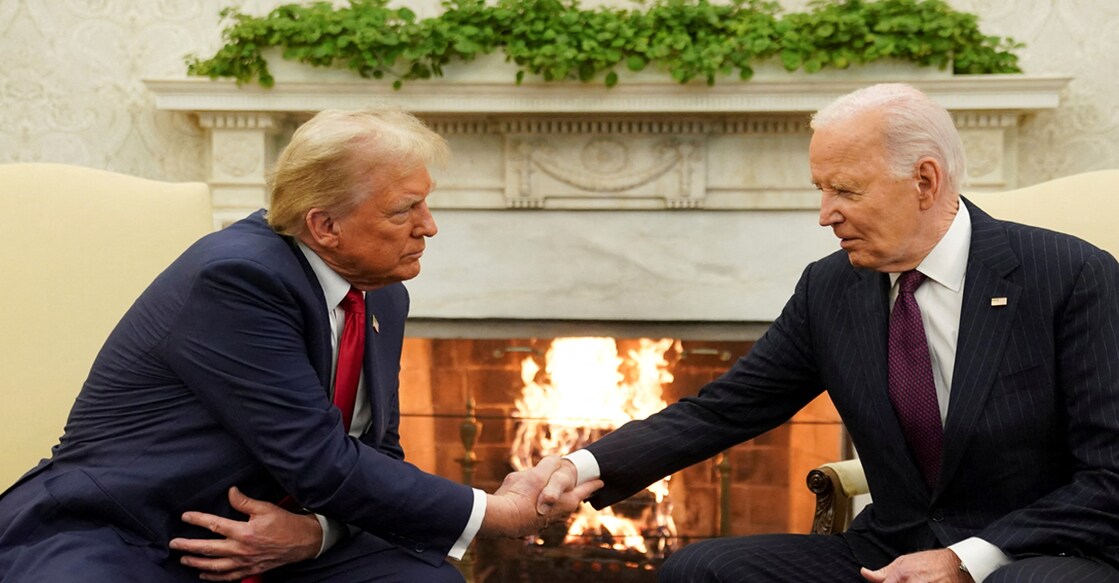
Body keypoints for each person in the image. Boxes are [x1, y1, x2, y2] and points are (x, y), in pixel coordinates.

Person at [540, 83, 1119, 582]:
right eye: (821, 189)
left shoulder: (1070, 276)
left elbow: (1110, 470)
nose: (824, 213)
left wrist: (966, 560)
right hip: (890, 548)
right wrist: (580, 467)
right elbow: (723, 410)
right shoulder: (831, 288)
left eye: (845, 190)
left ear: (924, 181)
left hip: (1036, 550)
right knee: (701, 570)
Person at [0, 109, 599, 582]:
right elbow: (321, 460)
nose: (429, 226)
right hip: (131, 528)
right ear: (324, 226)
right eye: (404, 209)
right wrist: (492, 513)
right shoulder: (237, 278)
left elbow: (375, 452)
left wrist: (316, 534)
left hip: (279, 533)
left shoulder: (381, 292)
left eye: (426, 201)